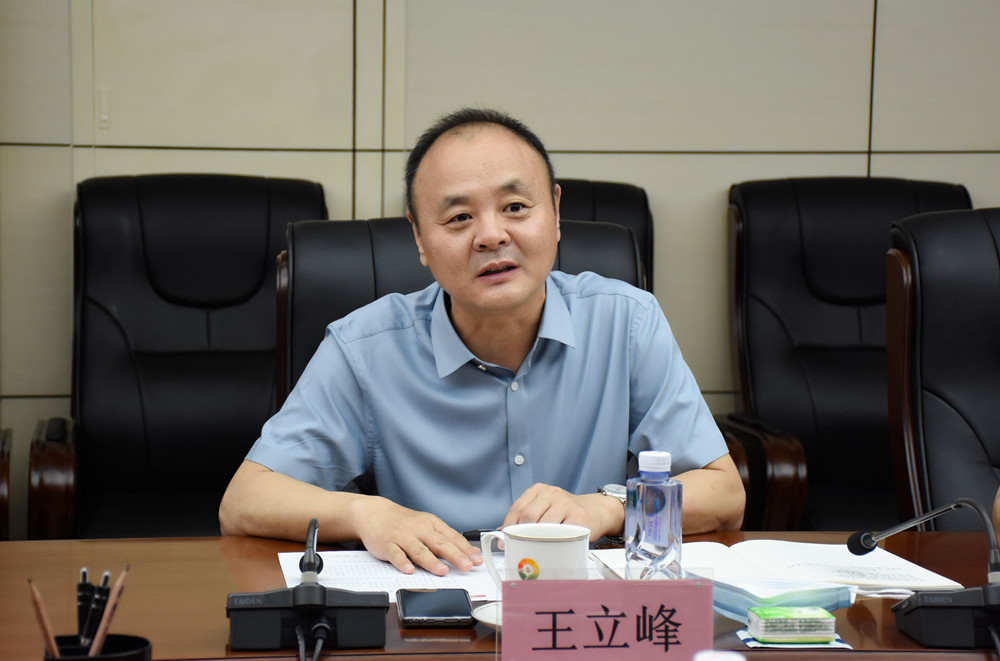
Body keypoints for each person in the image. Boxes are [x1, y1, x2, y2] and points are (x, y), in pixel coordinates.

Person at [219, 107, 745, 576]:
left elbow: (723, 492)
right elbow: (244, 501)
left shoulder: (626, 321)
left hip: (579, 617)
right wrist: (364, 513)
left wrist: (608, 508)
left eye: (515, 207)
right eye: (459, 218)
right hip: (433, 613)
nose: (491, 235)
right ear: (419, 238)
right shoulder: (365, 348)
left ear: (555, 211)